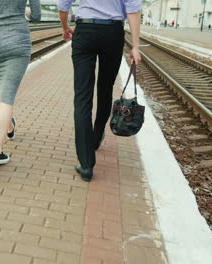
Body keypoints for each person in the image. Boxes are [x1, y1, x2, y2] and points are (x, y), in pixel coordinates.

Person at [57, 0, 142, 181]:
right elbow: (133, 10)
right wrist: (135, 46)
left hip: (85, 31)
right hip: (113, 33)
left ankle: (86, 164)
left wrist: (65, 27)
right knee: (105, 89)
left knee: (82, 96)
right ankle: (95, 138)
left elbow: (63, 6)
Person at [0, 0, 41, 165]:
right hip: (18, 41)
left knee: (5, 91)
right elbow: (37, 16)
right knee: (7, 97)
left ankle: (9, 126)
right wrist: (19, 10)